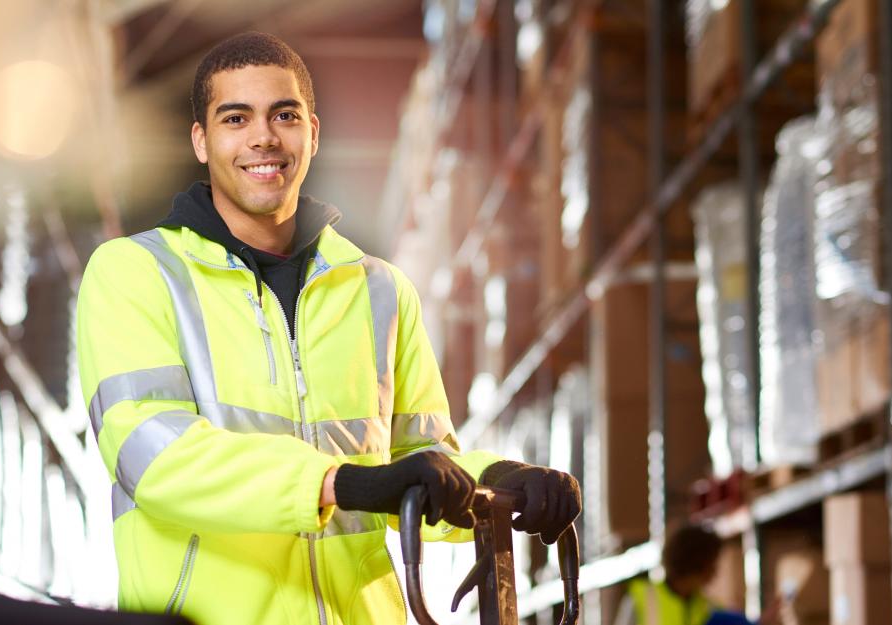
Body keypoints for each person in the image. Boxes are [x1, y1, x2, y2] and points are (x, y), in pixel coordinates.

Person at [76, 32, 581, 625]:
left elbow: (419, 464)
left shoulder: (380, 289)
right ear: (201, 141)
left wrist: (496, 480)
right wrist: (336, 484)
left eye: (283, 115)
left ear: (312, 133)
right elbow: (152, 456)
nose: (263, 137)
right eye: (235, 118)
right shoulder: (135, 272)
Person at [614, 524, 782, 625]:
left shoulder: (707, 608)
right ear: (696, 562)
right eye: (712, 564)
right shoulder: (642, 599)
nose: (715, 573)